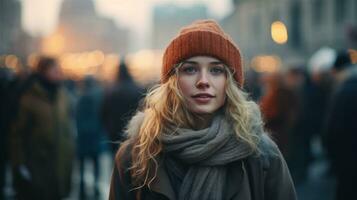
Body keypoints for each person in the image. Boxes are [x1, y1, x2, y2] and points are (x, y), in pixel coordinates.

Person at [109, 20, 296, 200]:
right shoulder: (136, 154)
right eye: (190, 70)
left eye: (216, 71)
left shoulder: (261, 154)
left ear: (229, 83)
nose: (203, 81)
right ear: (173, 82)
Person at [9, 56, 75, 200]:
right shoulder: (29, 99)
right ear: (43, 72)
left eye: (60, 70)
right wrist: (19, 164)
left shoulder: (62, 95)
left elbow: (68, 126)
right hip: (38, 165)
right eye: (55, 70)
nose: (60, 74)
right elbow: (17, 135)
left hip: (61, 162)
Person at [101, 60, 144, 155]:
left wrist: (108, 128)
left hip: (114, 133)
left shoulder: (110, 91)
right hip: (134, 132)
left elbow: (104, 113)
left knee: (117, 160)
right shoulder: (137, 89)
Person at [76, 75, 103, 199]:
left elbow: (75, 117)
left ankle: (82, 190)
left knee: (81, 166)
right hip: (94, 136)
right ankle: (96, 188)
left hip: (82, 137)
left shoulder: (79, 98)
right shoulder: (98, 98)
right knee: (96, 165)